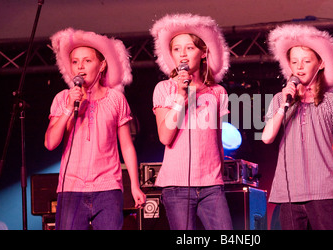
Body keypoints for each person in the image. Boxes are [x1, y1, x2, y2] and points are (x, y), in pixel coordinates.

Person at [45, 28, 146, 230]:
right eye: (75, 62)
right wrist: (68, 107)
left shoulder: (116, 99)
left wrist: (135, 185)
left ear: (102, 65)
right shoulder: (62, 98)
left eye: (87, 61)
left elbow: (126, 146)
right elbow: (50, 143)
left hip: (108, 188)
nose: (80, 67)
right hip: (71, 189)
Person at [262, 24, 333, 230]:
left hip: (325, 192)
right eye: (294, 62)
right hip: (290, 193)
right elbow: (267, 137)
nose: (299, 67)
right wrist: (284, 105)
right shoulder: (280, 100)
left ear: (320, 63)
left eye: (306, 61)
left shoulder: (332, 101)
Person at [150, 13, 233, 230]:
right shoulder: (164, 89)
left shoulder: (218, 92)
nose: (183, 54)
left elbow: (217, 140)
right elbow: (165, 137)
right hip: (176, 187)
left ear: (203, 52)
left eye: (189, 48)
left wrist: (218, 177)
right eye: (176, 49)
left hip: (211, 186)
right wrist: (180, 97)